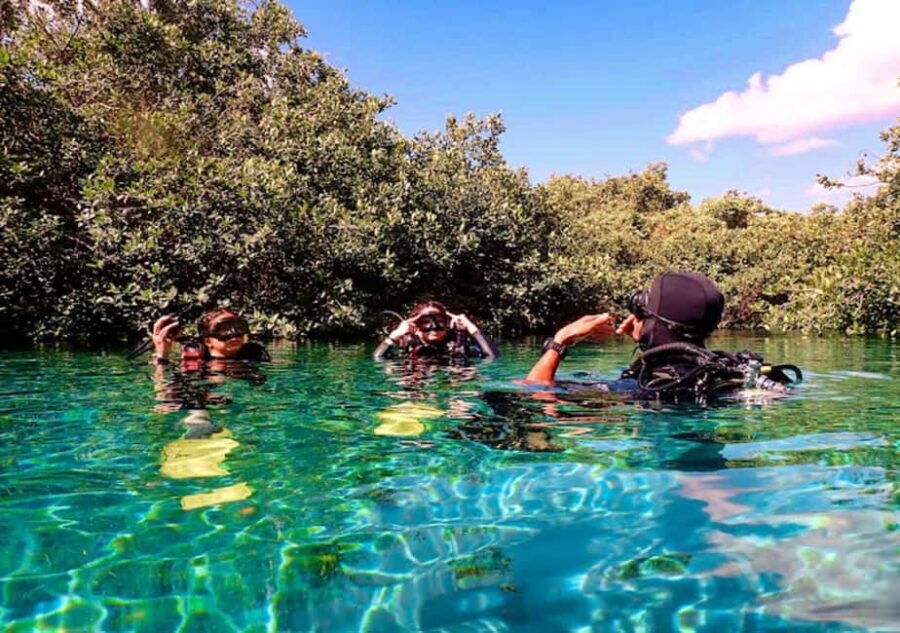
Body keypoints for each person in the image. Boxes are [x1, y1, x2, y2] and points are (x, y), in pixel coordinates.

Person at [526, 272, 800, 401]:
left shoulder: (642, 387)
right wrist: (648, 334)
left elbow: (533, 391)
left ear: (656, 324)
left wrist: (561, 340)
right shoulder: (723, 370)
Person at [373, 301, 498, 362]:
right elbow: (377, 359)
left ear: (447, 324)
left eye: (439, 321)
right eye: (426, 322)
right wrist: (394, 336)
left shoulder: (457, 348)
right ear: (415, 326)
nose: (433, 327)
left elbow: (492, 357)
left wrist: (472, 328)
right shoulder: (408, 350)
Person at [151, 308, 270, 367]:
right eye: (224, 329)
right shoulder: (195, 359)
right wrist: (162, 356)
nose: (234, 333)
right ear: (208, 341)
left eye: (238, 327)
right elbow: (165, 396)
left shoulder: (255, 354)